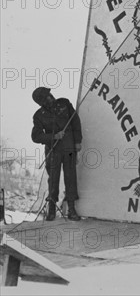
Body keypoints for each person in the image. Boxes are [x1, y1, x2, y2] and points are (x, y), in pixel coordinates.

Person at [31, 87, 82, 221]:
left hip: (69, 149)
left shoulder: (64, 103)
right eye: (46, 97)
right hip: (53, 151)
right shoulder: (39, 115)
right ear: (41, 102)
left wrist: (78, 142)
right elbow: (36, 136)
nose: (50, 97)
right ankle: (52, 210)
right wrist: (54, 136)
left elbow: (76, 122)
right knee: (53, 180)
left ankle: (71, 210)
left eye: (49, 94)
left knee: (71, 179)